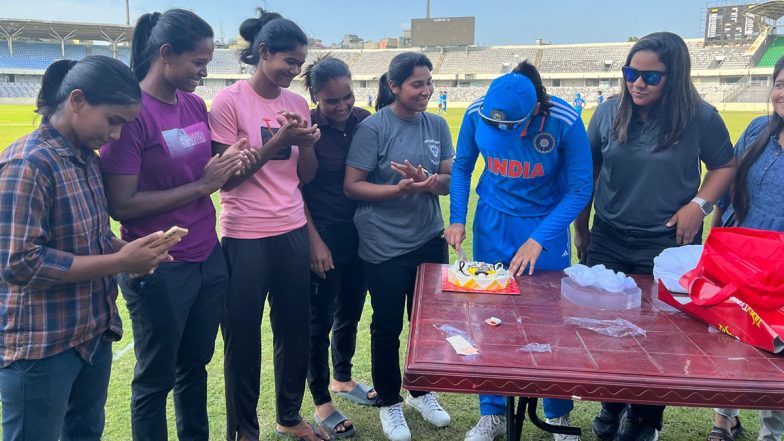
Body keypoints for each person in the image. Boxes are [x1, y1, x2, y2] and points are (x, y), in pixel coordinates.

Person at [0, 56, 176, 441]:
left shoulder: (86, 160)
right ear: (76, 101)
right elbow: (20, 264)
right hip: (41, 346)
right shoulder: (28, 163)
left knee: (84, 432)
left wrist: (132, 253)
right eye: (112, 121)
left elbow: (94, 236)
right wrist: (118, 260)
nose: (115, 135)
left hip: (92, 333)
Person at [574, 31, 737, 441]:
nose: (637, 83)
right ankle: (611, 405)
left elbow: (724, 165)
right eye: (631, 72)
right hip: (609, 237)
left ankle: (645, 418)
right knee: (607, 325)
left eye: (651, 76)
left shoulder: (700, 117)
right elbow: (587, 175)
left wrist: (697, 205)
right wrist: (582, 230)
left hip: (667, 246)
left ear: (675, 77)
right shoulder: (609, 112)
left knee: (657, 339)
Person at [99, 10, 252, 440]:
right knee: (154, 380)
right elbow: (122, 205)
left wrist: (226, 163)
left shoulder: (192, 104)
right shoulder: (131, 114)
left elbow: (200, 170)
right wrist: (203, 184)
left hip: (207, 255)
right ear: (165, 54)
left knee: (194, 366)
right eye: (198, 63)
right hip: (160, 265)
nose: (205, 73)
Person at [446, 62, 593, 441]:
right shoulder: (477, 112)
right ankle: (493, 411)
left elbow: (579, 189)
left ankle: (557, 412)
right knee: (490, 320)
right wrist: (458, 218)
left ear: (535, 110)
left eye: (511, 127)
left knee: (548, 321)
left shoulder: (563, 119)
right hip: (493, 224)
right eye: (496, 126)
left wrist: (540, 237)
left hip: (545, 226)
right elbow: (462, 168)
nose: (501, 133)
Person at [208, 8, 325, 441]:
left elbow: (305, 176)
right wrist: (279, 140)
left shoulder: (296, 104)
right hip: (244, 234)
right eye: (288, 62)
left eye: (299, 64)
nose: (294, 72)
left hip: (291, 228)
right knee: (242, 337)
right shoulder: (230, 101)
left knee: (294, 329)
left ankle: (289, 415)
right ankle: (243, 429)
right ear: (263, 53)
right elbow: (228, 177)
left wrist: (308, 143)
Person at [344, 51, 453, 441]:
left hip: (428, 239)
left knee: (425, 327)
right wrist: (397, 189)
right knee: (387, 325)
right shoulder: (374, 128)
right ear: (394, 87)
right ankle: (390, 401)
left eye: (428, 83)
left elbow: (447, 180)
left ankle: (420, 392)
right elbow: (352, 185)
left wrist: (428, 180)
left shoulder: (438, 125)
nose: (426, 90)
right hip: (385, 244)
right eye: (417, 84)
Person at [708, 55, 784, 441]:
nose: (783, 92)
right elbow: (730, 183)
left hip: (781, 271)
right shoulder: (758, 130)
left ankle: (770, 434)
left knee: (779, 355)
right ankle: (724, 419)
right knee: (730, 338)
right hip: (738, 257)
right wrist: (716, 226)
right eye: (781, 83)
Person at [301, 55, 374, 439]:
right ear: (315, 97)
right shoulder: (308, 127)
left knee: (351, 309)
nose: (342, 106)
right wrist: (313, 240)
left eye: (347, 96)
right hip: (323, 234)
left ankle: (343, 378)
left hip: (361, 233)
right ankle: (321, 401)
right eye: (332, 101)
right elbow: (294, 189)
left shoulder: (365, 119)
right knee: (319, 320)